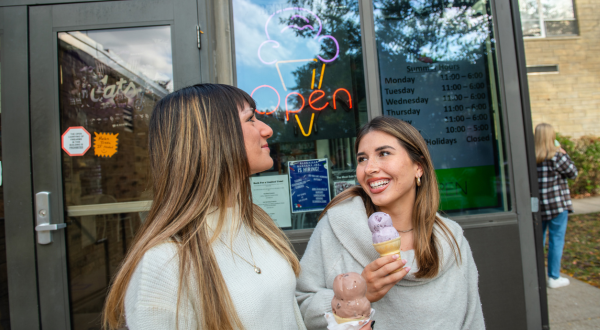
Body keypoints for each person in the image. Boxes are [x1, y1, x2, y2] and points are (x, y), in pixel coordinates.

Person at [102, 84, 306, 330]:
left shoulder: (256, 222)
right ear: (211, 137)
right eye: (250, 119)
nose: (267, 129)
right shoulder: (164, 263)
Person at [296, 116, 485, 329]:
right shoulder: (336, 227)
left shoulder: (451, 239)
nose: (369, 168)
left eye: (384, 153)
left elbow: (472, 321)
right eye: (362, 159)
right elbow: (300, 306)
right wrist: (356, 296)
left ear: (419, 167)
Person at [534, 123, 578, 289]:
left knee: (538, 241)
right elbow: (573, 173)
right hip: (557, 206)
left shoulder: (531, 157)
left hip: (538, 207)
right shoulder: (557, 157)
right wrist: (563, 153)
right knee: (556, 240)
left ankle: (536, 276)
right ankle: (553, 277)